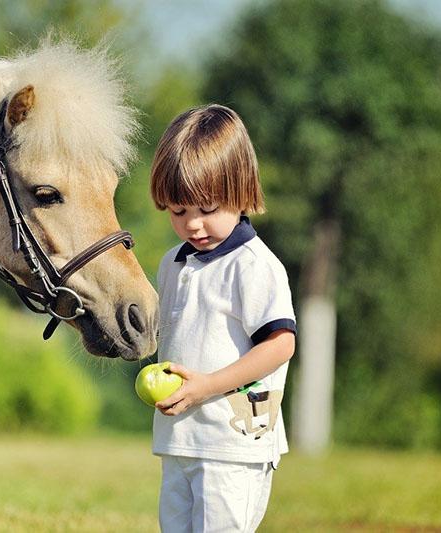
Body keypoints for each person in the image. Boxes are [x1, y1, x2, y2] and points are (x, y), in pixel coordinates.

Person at [149, 104, 296, 532]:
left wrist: (207, 387)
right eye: (178, 211)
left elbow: (280, 344)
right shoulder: (171, 263)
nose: (193, 225)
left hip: (234, 444)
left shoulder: (253, 265)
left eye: (207, 208)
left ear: (242, 192)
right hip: (180, 440)